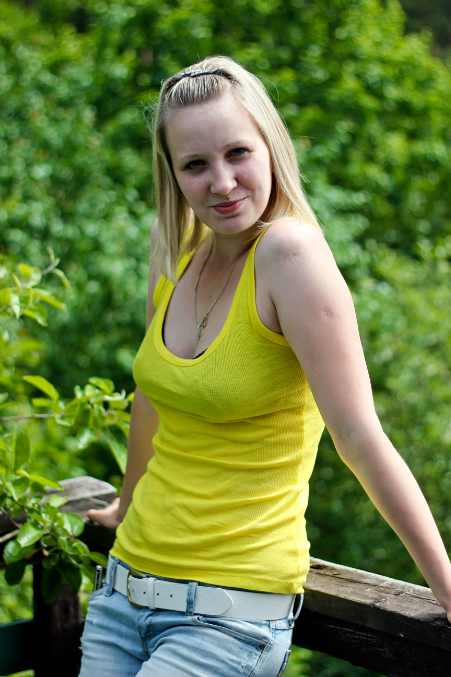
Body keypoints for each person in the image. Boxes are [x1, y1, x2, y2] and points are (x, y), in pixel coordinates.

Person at [79, 56, 451, 677]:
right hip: (122, 592)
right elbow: (152, 398)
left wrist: (445, 582)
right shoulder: (175, 247)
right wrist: (124, 505)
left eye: (238, 153)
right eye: (195, 165)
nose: (222, 183)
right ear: (172, 173)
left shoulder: (289, 255)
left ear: (271, 147)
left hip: (227, 617)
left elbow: (358, 434)